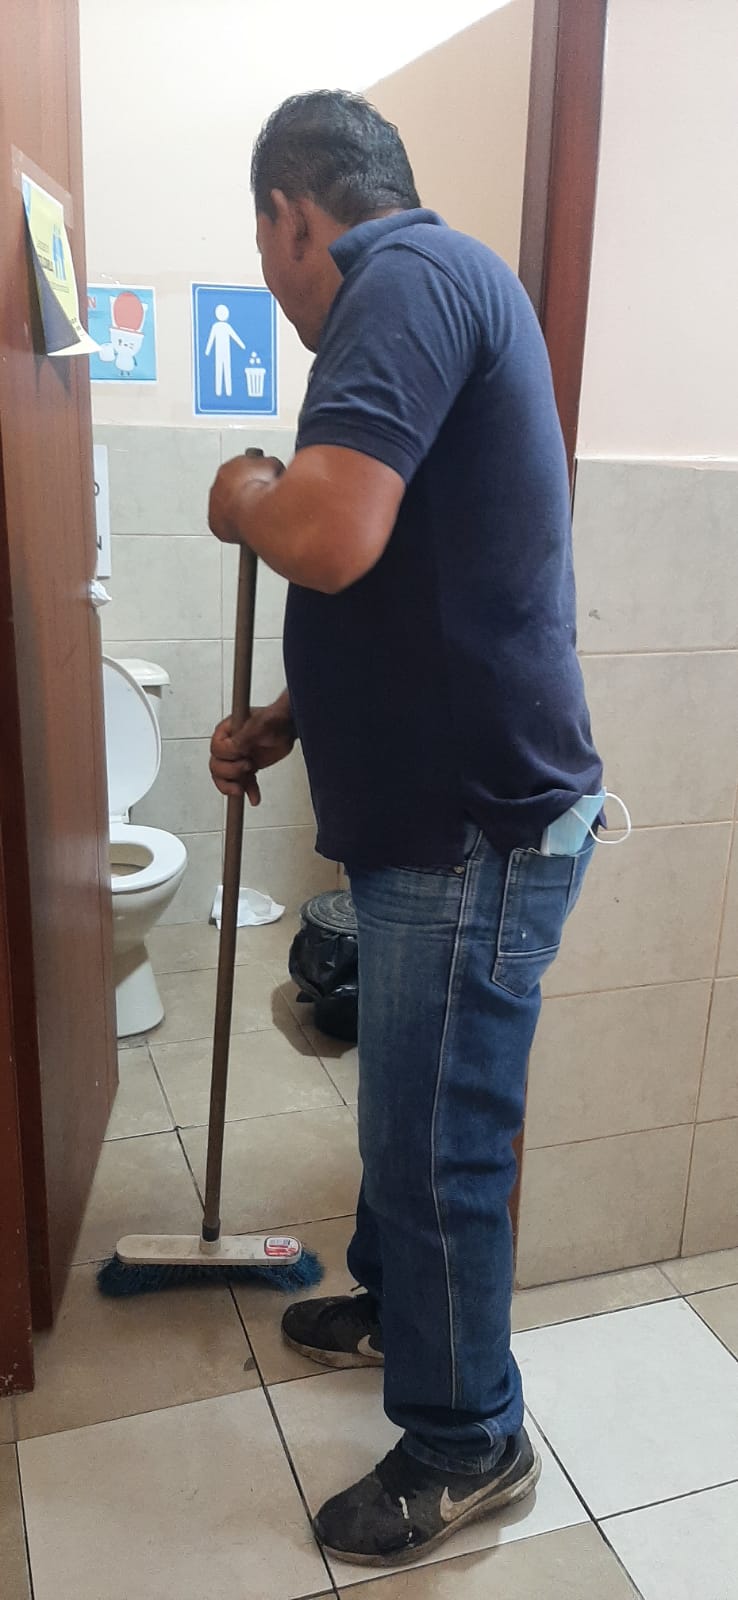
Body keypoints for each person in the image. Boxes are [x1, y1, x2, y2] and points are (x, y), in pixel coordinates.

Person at [207, 90, 602, 1569]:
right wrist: (291, 714)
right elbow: (417, 578)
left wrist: (243, 492)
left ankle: (467, 1441)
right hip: (445, 816)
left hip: (472, 828)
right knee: (409, 1117)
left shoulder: (402, 278)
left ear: (291, 214)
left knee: (440, 1143)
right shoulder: (436, 287)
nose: (275, 284)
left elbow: (323, 532)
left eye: (266, 249)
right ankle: (399, 1306)